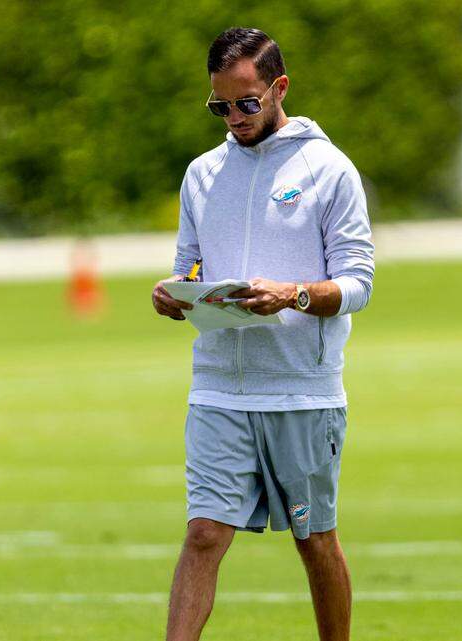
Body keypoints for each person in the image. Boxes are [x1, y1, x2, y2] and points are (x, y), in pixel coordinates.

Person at [151, 27, 375, 641]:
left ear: (278, 89)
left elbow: (358, 282)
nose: (233, 118)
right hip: (219, 385)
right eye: (219, 106)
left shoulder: (328, 170)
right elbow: (191, 263)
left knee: (315, 540)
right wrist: (174, 291)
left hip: (302, 389)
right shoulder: (202, 173)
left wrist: (293, 293)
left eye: (246, 103)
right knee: (203, 534)